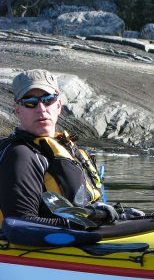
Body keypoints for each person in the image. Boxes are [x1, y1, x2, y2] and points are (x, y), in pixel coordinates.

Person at [0, 69, 118, 229]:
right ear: (18, 109)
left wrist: (116, 215)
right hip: (46, 246)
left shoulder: (71, 150)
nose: (41, 109)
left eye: (48, 99)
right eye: (30, 102)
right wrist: (84, 222)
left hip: (87, 236)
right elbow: (19, 224)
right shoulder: (20, 155)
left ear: (58, 105)